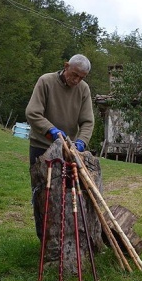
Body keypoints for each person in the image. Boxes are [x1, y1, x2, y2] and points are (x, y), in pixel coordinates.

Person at [25, 54, 95, 240]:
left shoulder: (83, 89)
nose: (77, 80)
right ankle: (45, 239)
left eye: (82, 77)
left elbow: (88, 121)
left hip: (68, 151)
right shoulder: (46, 81)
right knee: (43, 194)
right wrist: (51, 130)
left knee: (68, 195)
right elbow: (32, 112)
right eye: (75, 75)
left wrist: (81, 142)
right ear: (66, 66)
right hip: (42, 147)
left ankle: (68, 239)